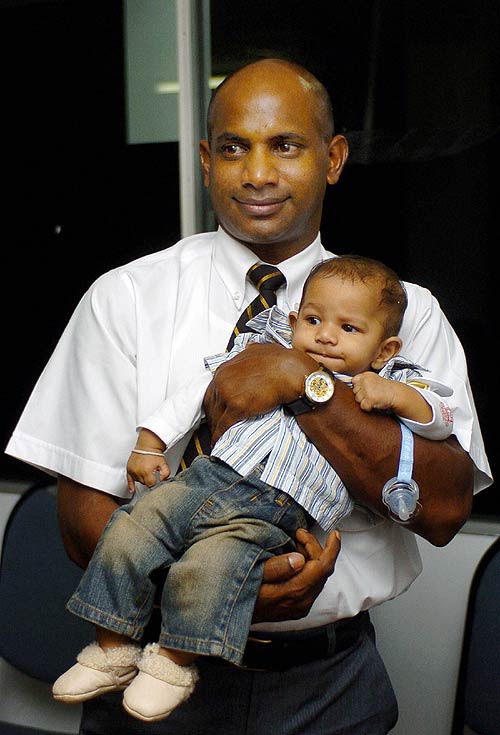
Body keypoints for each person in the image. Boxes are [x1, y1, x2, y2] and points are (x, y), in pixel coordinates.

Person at [5, 58, 492, 735]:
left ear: (334, 157)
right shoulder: (126, 300)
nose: (257, 173)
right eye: (233, 147)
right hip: (148, 687)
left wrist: (304, 381)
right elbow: (83, 526)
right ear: (206, 161)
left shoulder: (403, 317)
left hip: (330, 689)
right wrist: (220, 584)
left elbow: (442, 508)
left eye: (285, 145)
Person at [51, 255, 455, 723]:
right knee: (130, 528)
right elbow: (200, 390)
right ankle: (111, 651)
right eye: (313, 320)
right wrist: (150, 441)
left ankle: (173, 666)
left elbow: (440, 421)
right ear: (293, 319)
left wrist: (394, 398)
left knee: (211, 562)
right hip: (208, 475)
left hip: (275, 510)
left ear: (384, 350)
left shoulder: (390, 379)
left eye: (349, 329)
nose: (326, 335)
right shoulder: (264, 343)